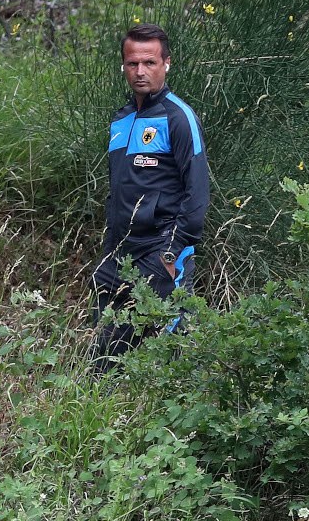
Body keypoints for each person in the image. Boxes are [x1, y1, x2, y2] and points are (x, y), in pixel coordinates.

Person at [90, 23, 209, 372]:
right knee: (104, 356)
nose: (140, 71)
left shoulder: (179, 118)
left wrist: (170, 254)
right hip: (117, 255)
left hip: (160, 252)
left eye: (150, 62)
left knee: (165, 357)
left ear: (167, 63)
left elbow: (198, 195)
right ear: (123, 66)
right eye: (133, 63)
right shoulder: (122, 119)